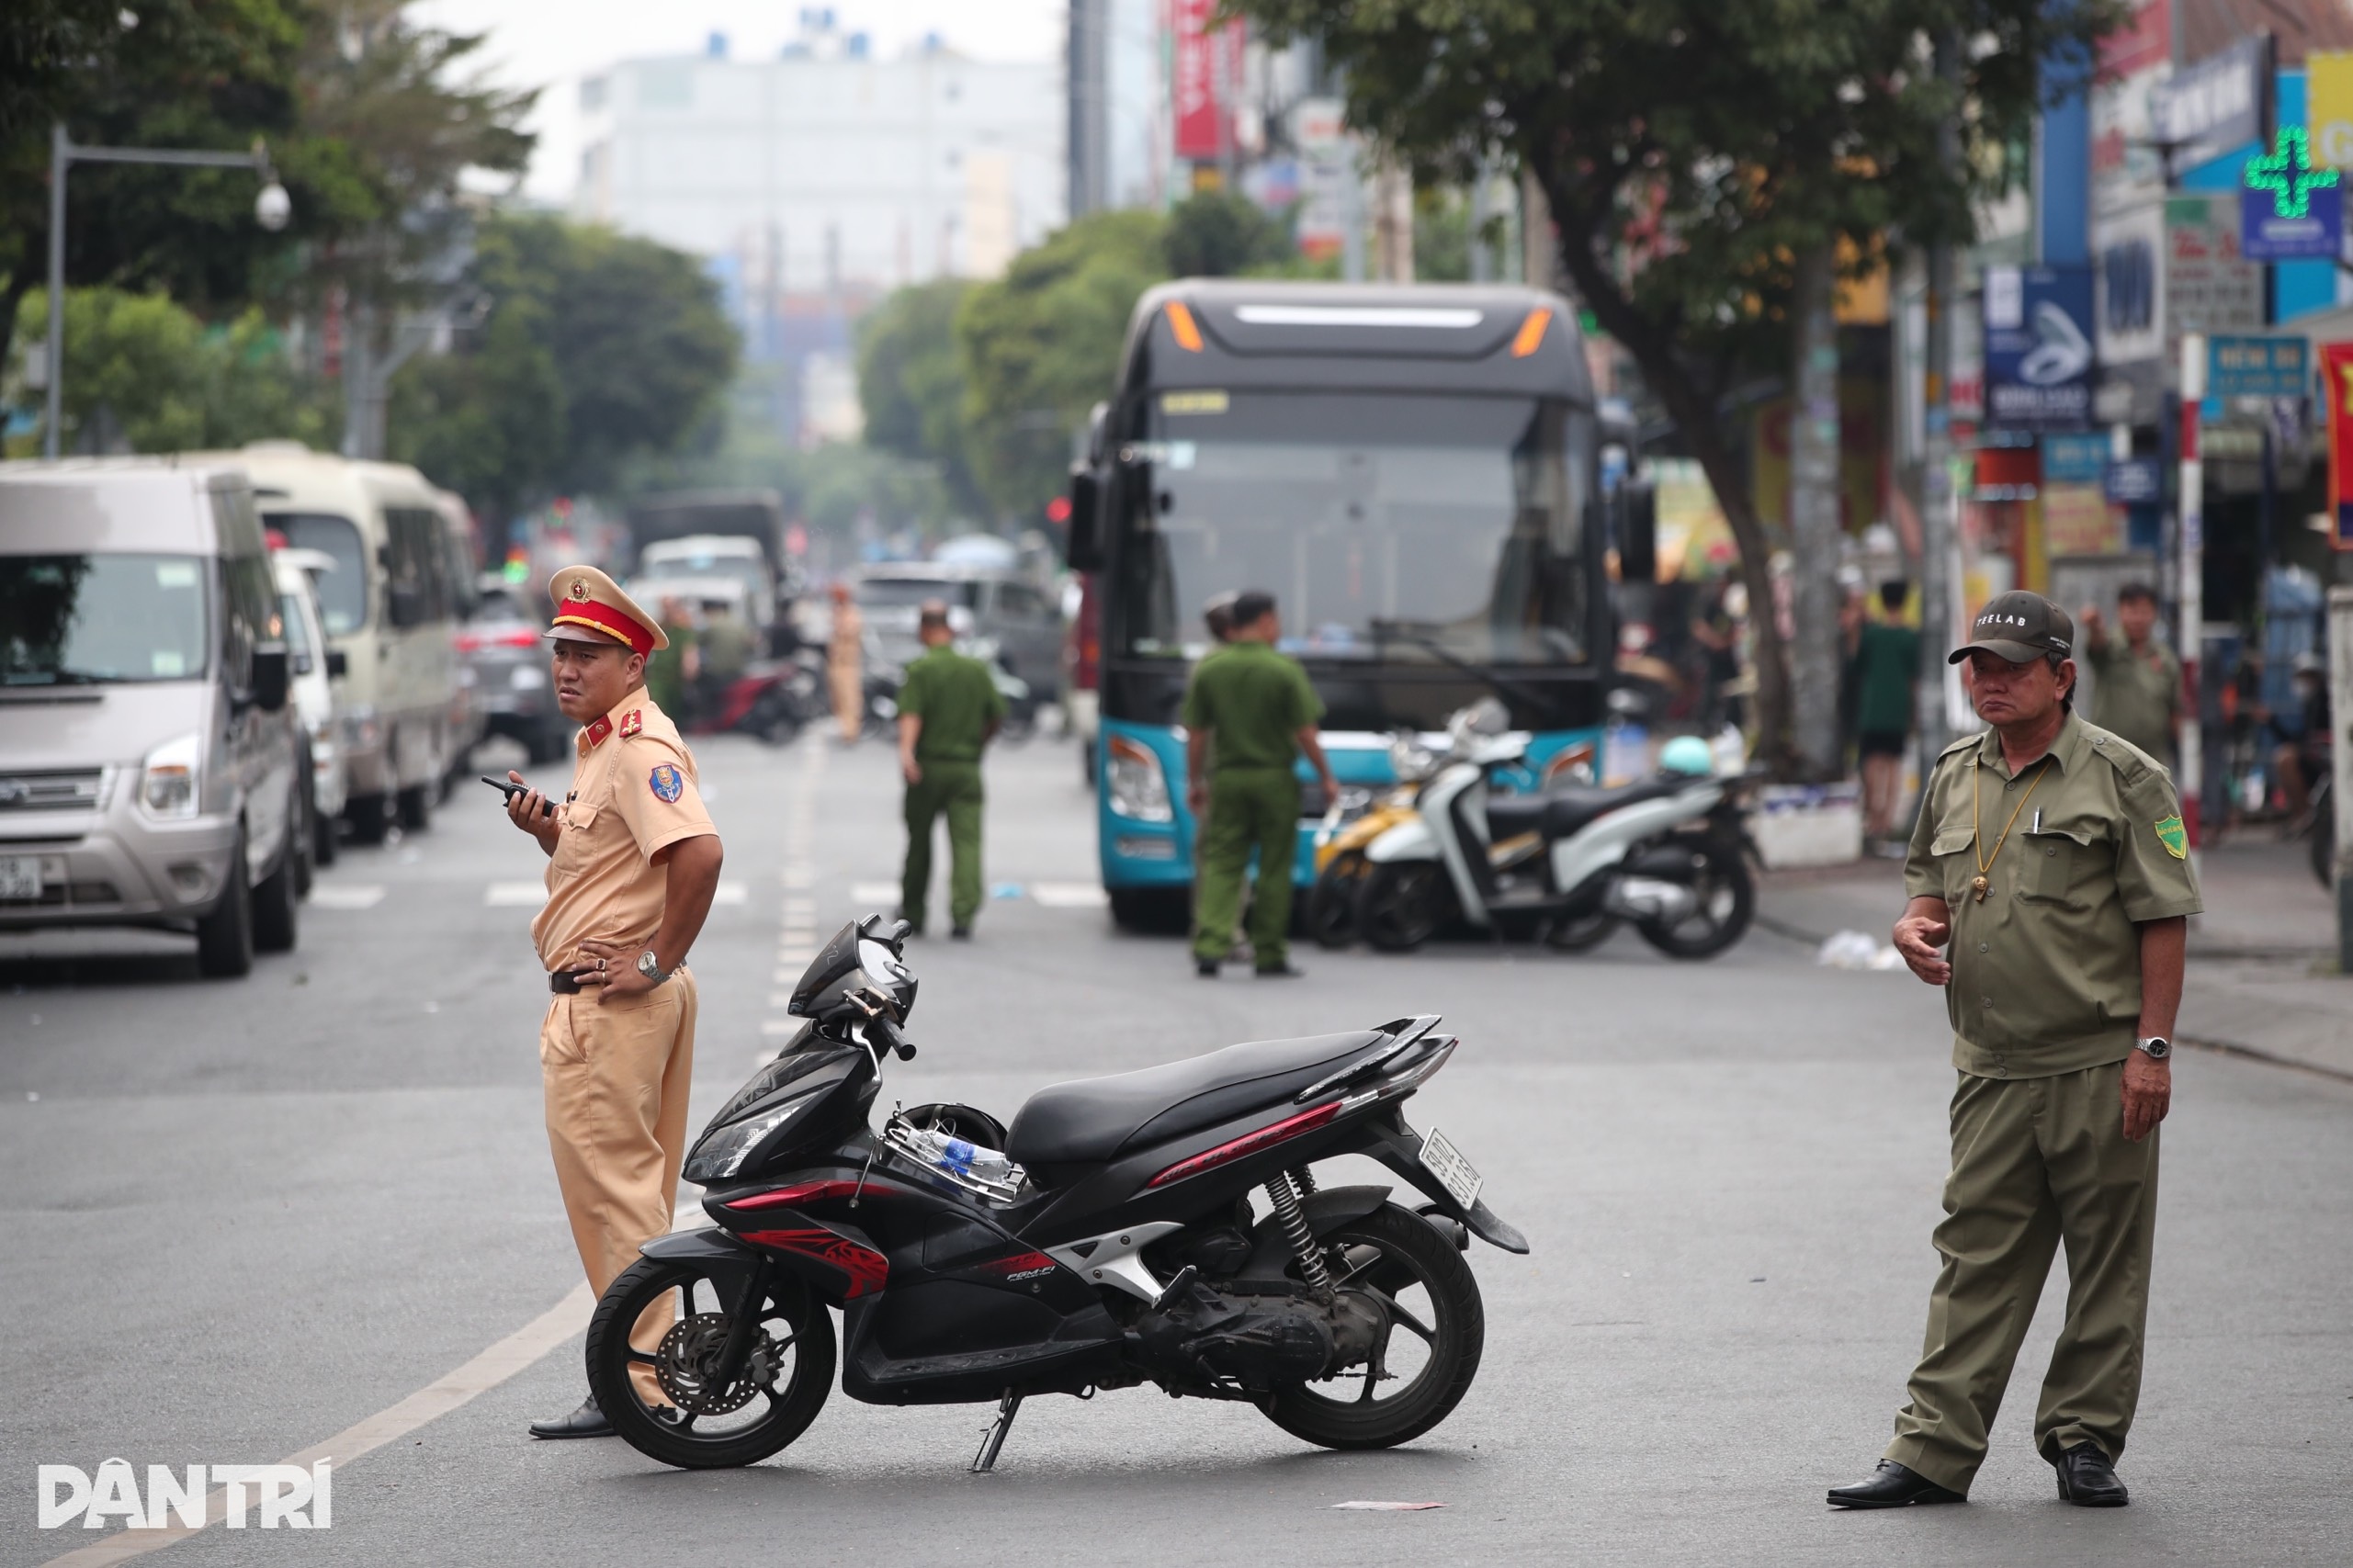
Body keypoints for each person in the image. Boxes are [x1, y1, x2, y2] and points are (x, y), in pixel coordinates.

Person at [1828, 590, 2200, 1512]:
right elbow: (1928, 889)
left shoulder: (2123, 778)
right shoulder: (1953, 774)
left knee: (2104, 1264)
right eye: (1979, 671)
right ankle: (1929, 1452)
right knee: (1972, 1260)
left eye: (2011, 669)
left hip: (2094, 1062)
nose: (1990, 685)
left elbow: (2162, 919)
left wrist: (2149, 1049)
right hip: (1989, 1067)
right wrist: (1913, 929)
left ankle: (2082, 1441)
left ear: (2061, 676)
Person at [502, 565, 724, 1439]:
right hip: (631, 1000)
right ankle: (644, 1369)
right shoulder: (604, 743)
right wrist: (548, 829)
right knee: (636, 1196)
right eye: (560, 652)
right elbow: (616, 862)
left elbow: (699, 855)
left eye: (588, 655)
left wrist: (653, 959)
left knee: (616, 1197)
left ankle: (650, 1380)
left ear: (632, 664)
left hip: (613, 1006)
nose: (567, 668)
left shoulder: (633, 750)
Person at [1183, 590, 1337, 978]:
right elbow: (1305, 731)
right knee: (1273, 868)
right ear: (1267, 620)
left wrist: (1194, 780)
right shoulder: (1284, 669)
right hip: (1274, 780)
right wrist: (1326, 777)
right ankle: (1269, 953)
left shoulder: (1211, 667)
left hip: (1229, 779)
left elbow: (1197, 734)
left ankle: (1211, 944)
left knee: (1221, 861)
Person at [896, 599, 1005, 939]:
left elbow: (912, 714)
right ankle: (964, 914)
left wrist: (906, 753)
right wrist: (978, 744)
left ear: (925, 629)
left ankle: (914, 910)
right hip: (966, 769)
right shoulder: (976, 669)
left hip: (928, 769)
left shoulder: (920, 669)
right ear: (950, 629)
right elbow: (996, 715)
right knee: (968, 843)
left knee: (920, 843)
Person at [2079, 583, 2181, 768]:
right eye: (2132, 611)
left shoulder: (2165, 658)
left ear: (2154, 614)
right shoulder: (2110, 649)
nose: (2138, 619)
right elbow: (2097, 645)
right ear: (2120, 612)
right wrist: (2094, 627)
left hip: (2152, 760)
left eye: (2144, 611)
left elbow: (2175, 710)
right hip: (2109, 758)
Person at [1850, 581, 1922, 840]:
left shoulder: (1871, 635)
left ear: (1881, 600)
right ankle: (1887, 821)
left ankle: (1873, 816)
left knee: (1871, 761)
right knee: (1894, 764)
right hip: (1898, 707)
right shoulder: (1909, 636)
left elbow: (1857, 665)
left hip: (1872, 707)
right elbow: (1915, 676)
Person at [643, 595, 700, 725]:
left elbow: (689, 650)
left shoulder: (682, 628)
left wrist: (690, 668)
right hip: (659, 675)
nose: (666, 610)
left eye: (669, 606)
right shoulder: (658, 626)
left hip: (676, 676)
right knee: (660, 707)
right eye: (664, 606)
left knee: (675, 710)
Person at [827, 581, 865, 744]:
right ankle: (844, 728)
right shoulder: (837, 611)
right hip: (836, 662)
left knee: (850, 697)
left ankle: (851, 731)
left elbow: (847, 631)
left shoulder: (852, 613)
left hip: (849, 663)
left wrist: (839, 619)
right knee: (838, 698)